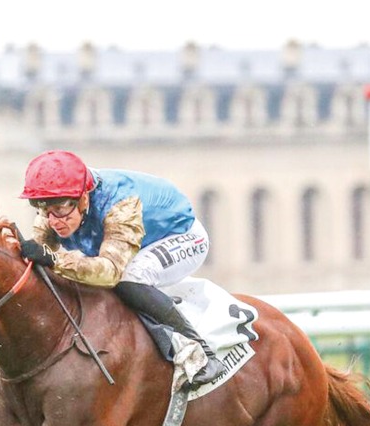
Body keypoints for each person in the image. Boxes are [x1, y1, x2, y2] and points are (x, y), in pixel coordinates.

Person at [16, 150, 226, 389]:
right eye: (42, 208)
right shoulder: (58, 204)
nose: (53, 220)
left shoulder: (120, 206)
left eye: (61, 209)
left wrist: (55, 260)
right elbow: (40, 256)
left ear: (84, 198)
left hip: (182, 237)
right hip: (136, 244)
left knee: (128, 279)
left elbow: (108, 272)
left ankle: (203, 355)